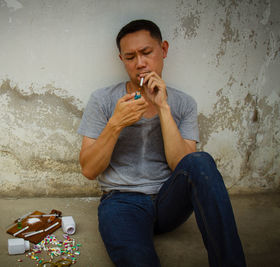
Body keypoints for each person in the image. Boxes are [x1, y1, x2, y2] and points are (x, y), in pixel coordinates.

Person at [77, 19, 246, 267]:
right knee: (138, 261)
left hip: (168, 201)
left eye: (147, 53)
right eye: (130, 57)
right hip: (122, 202)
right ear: (121, 59)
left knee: (200, 161)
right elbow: (89, 170)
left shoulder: (184, 103)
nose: (140, 63)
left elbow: (185, 166)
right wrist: (115, 124)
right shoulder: (102, 99)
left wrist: (163, 108)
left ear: (163, 50)